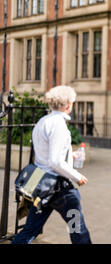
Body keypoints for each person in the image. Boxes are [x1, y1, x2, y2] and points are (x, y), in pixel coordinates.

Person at [12, 86, 92, 244]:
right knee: (78, 230)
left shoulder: (44, 121)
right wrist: (77, 176)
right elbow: (55, 161)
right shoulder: (58, 125)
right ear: (68, 104)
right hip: (60, 188)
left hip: (41, 186)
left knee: (30, 230)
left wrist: (71, 155)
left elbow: (45, 152)